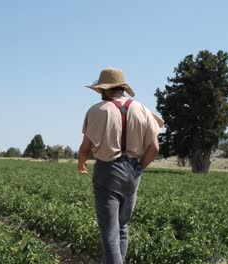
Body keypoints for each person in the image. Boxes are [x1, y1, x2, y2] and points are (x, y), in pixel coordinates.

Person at [78, 68, 164, 264]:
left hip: (108, 170)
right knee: (123, 227)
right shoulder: (142, 109)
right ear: (122, 88)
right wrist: (139, 168)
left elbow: (85, 148)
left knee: (109, 231)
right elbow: (155, 148)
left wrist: (81, 163)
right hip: (133, 171)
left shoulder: (97, 110)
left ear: (102, 89)